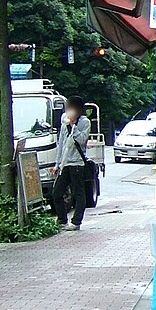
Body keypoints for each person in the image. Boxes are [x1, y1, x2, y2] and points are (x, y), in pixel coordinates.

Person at [53, 97, 91, 231]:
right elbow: (61, 143)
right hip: (65, 163)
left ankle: (76, 222)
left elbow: (82, 140)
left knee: (78, 194)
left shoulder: (85, 122)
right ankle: (62, 220)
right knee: (57, 192)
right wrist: (57, 164)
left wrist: (73, 125)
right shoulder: (64, 121)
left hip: (77, 164)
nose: (69, 110)